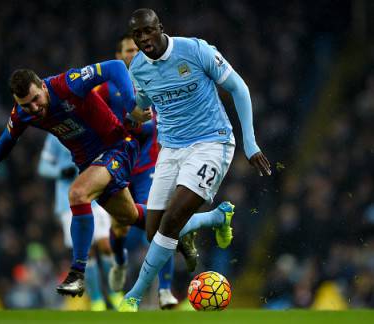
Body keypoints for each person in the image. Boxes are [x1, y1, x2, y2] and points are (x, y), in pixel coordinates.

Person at [119, 8, 271, 311]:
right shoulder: (137, 67)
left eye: (149, 31)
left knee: (171, 222)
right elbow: (142, 105)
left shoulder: (195, 50)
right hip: (171, 150)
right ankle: (216, 218)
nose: (144, 38)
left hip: (211, 143)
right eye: (138, 34)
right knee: (154, 232)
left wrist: (250, 142)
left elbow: (238, 87)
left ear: (160, 28)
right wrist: (131, 115)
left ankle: (133, 296)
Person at [0, 59, 153, 297]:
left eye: (35, 99)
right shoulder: (23, 114)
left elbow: (116, 66)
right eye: (25, 105)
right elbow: (7, 138)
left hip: (117, 146)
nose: (33, 108)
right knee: (131, 215)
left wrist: (130, 104)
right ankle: (182, 230)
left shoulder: (67, 84)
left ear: (43, 87)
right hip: (91, 164)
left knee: (77, 193)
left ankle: (77, 273)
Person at [93, 35, 178, 309]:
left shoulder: (155, 77)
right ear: (118, 57)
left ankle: (165, 290)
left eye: (137, 49)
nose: (134, 53)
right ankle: (119, 262)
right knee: (120, 226)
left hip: (148, 167)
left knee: (161, 225)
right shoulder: (106, 88)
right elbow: (89, 112)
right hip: (119, 167)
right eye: (129, 50)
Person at [37, 134, 122, 310]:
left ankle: (115, 294)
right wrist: (60, 172)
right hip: (67, 201)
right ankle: (97, 300)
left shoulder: (86, 125)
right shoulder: (54, 135)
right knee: (86, 253)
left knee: (105, 244)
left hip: (94, 195)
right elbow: (43, 166)